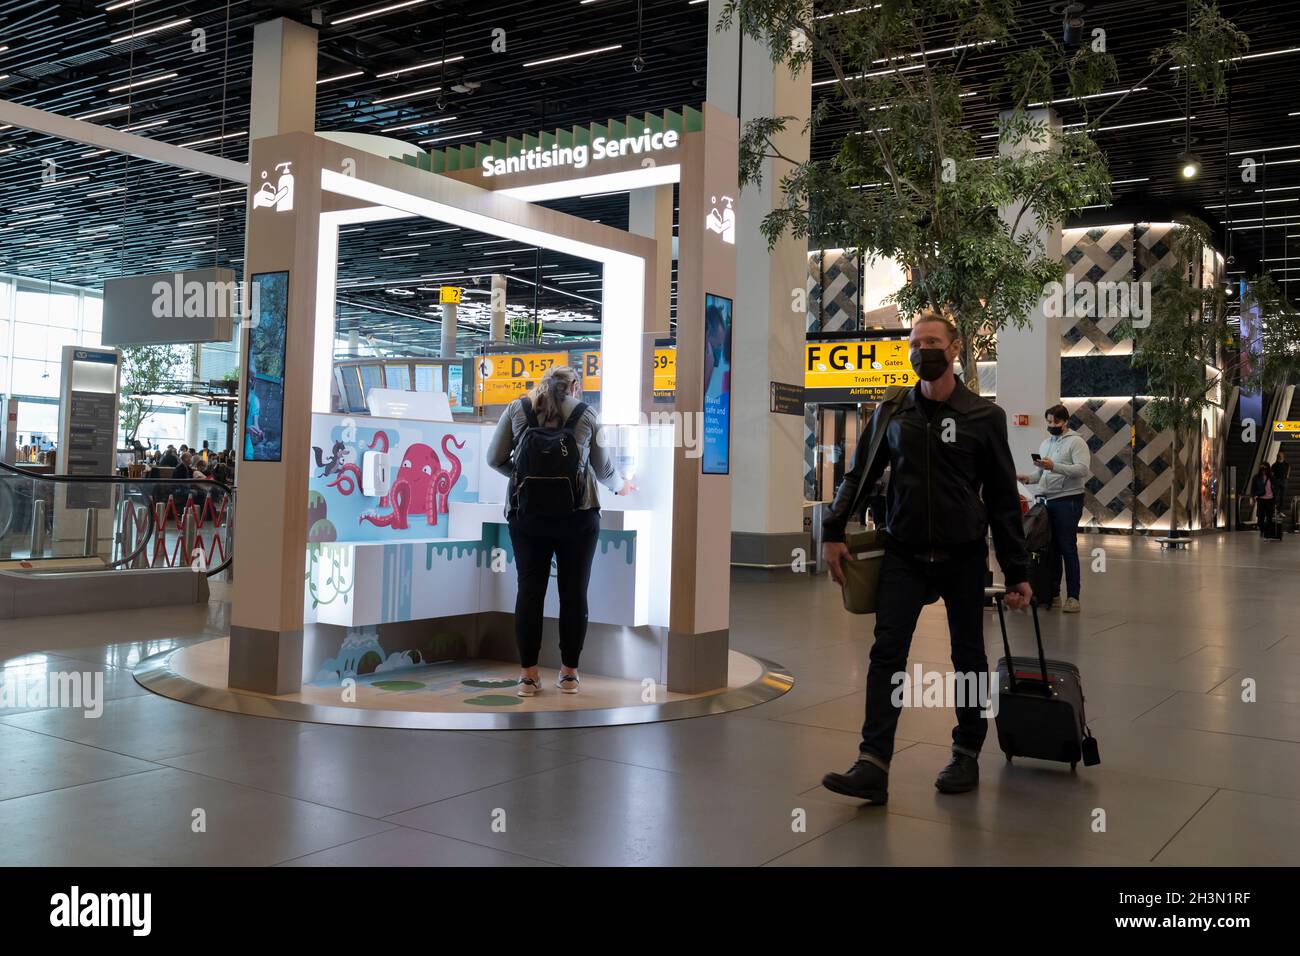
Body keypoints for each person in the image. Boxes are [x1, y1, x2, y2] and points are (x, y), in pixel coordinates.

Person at [819, 312, 1031, 804]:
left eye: (932, 342)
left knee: (968, 656)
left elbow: (1002, 499)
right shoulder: (894, 412)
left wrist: (1017, 572)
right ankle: (872, 764)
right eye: (915, 343)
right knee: (886, 654)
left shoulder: (984, 417)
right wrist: (832, 532)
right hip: (904, 554)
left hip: (962, 556)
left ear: (955, 348)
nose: (922, 350)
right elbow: (859, 475)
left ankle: (966, 752)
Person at [486, 365, 634, 697]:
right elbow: (603, 467)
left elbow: (493, 459)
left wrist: (523, 479)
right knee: (573, 593)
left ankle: (528, 675)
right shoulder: (586, 414)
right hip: (577, 516)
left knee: (529, 592)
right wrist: (622, 486)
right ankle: (568, 675)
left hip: (527, 518)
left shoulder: (517, 408)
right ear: (575, 387)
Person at [1016, 404, 1090, 613]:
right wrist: (1027, 477)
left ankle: (1074, 597)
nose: (1052, 425)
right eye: (1049, 421)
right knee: (1051, 549)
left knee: (1068, 548)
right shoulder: (1046, 444)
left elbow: (1082, 469)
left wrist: (1053, 466)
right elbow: (1041, 474)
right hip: (1048, 501)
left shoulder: (1077, 442)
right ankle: (1054, 593)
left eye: (1056, 422)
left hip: (1069, 500)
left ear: (1065, 421)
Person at [1253, 463, 1277, 539]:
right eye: (1262, 470)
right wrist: (1253, 496)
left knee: (1269, 516)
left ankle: (1267, 532)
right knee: (1260, 516)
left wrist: (1276, 498)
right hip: (1261, 499)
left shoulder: (1272, 477)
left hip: (1270, 499)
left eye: (1265, 470)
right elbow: (1253, 488)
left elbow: (1276, 488)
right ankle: (1262, 529)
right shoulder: (1256, 477)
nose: (1263, 471)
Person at [1273, 450, 1291, 527]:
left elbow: (1289, 469)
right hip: (1277, 481)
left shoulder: (1287, 464)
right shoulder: (1274, 465)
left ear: (1283, 456)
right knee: (1276, 496)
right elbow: (1272, 472)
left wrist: (1287, 476)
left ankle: (1280, 511)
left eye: (1281, 455)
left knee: (1282, 497)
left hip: (1284, 481)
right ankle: (1275, 510)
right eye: (1278, 456)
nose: (1280, 457)